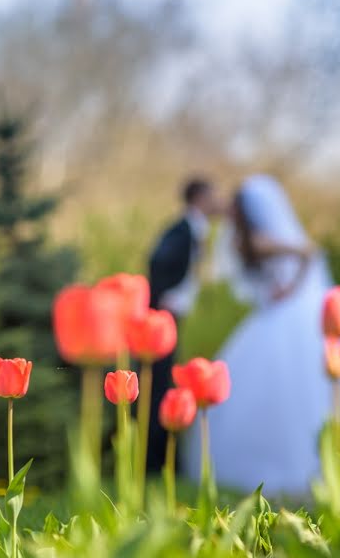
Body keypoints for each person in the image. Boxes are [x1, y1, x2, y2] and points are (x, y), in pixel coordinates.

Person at [181, 174, 340, 497]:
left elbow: (309, 252)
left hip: (289, 308)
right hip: (266, 314)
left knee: (308, 383)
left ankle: (325, 468)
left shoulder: (263, 239)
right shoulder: (240, 239)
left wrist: (289, 289)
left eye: (237, 207)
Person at [146, 177, 222, 472]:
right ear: (200, 197)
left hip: (178, 313)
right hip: (167, 312)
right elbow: (157, 262)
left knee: (166, 379)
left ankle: (166, 458)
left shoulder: (197, 230)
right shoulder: (180, 230)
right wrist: (165, 295)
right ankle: (158, 460)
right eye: (212, 195)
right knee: (161, 382)